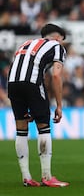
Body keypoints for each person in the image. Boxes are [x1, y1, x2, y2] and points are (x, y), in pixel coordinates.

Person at [8, 23, 69, 187]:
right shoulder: (56, 45)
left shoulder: (26, 43)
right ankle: (47, 176)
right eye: (62, 40)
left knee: (21, 129)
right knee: (44, 127)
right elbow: (56, 76)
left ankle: (26, 177)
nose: (61, 43)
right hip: (32, 83)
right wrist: (59, 105)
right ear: (57, 37)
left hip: (13, 83)